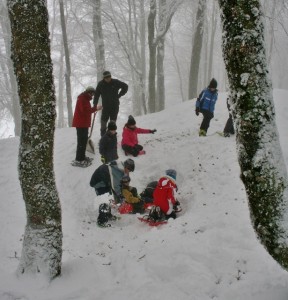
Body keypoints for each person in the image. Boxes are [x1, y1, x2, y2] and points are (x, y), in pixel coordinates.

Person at [72, 86, 102, 167]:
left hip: (83, 124)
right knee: (81, 142)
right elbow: (85, 111)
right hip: (81, 124)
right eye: (92, 94)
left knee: (84, 141)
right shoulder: (82, 99)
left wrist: (95, 109)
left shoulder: (84, 99)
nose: (92, 96)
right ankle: (79, 159)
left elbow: (86, 110)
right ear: (89, 92)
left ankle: (82, 157)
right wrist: (95, 108)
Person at [93, 71, 128, 137]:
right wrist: (95, 104)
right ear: (104, 78)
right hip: (105, 107)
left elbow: (125, 86)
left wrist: (120, 94)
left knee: (112, 123)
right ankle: (103, 138)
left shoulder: (115, 82)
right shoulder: (100, 84)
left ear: (110, 76)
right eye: (106, 78)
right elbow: (96, 95)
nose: (107, 79)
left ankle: (112, 138)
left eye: (109, 77)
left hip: (115, 106)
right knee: (103, 123)